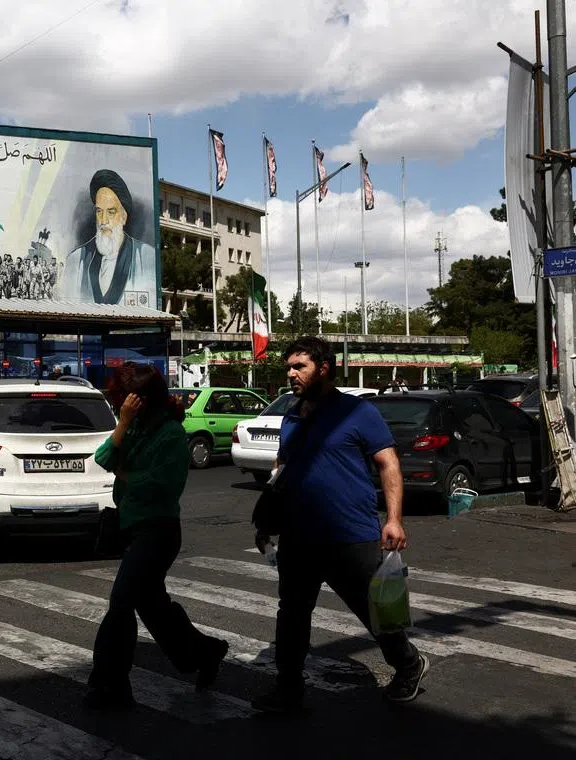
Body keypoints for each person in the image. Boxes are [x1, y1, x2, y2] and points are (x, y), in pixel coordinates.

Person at [252, 336, 429, 713]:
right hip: (299, 535)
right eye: (289, 367)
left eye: (299, 366)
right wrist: (267, 518)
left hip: (351, 533)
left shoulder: (357, 412)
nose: (291, 374)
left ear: (324, 368)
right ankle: (288, 688)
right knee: (292, 614)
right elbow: (282, 469)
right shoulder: (292, 416)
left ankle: (408, 663)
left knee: (373, 610)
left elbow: (389, 463)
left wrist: (394, 519)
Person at [86, 363, 230, 710]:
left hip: (158, 532)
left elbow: (162, 485)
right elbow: (103, 458)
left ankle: (109, 687)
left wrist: (126, 473)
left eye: (122, 399)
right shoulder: (133, 426)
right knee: (152, 607)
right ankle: (204, 652)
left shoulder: (171, 434)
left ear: (140, 399)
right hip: (132, 528)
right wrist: (122, 423)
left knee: (121, 602)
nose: (119, 404)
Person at [62, 169, 156, 305]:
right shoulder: (76, 260)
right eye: (99, 211)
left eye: (111, 212)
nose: (103, 220)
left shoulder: (147, 258)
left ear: (124, 217)